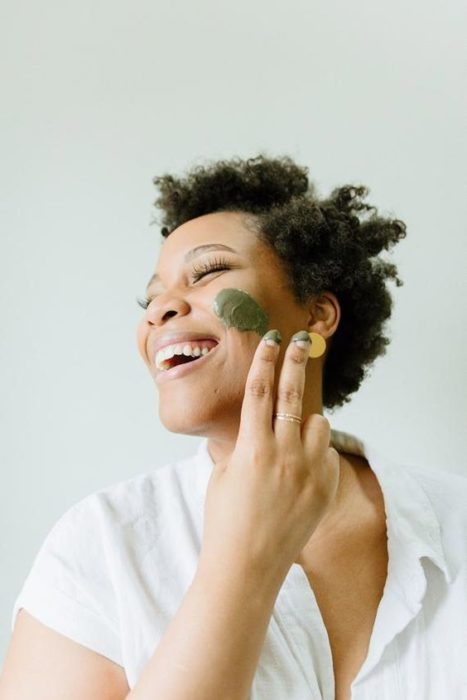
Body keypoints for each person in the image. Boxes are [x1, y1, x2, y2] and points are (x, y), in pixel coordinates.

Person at [1, 154, 466, 700]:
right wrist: (244, 560)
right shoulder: (99, 546)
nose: (159, 312)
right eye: (150, 300)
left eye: (207, 273)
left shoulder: (453, 520)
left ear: (317, 314)